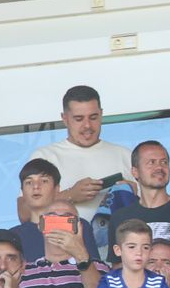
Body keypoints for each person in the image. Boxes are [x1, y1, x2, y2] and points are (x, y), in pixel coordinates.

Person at [28, 85, 136, 224]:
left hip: (118, 244)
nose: (87, 125)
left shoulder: (126, 155)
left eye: (93, 117)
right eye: (79, 119)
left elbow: (152, 206)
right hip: (60, 243)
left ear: (101, 114)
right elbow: (24, 212)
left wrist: (133, 193)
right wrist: (70, 195)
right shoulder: (45, 157)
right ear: (65, 119)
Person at [107, 139, 170, 259]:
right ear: (135, 172)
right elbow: (117, 268)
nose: (159, 167)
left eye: (164, 162)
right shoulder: (120, 217)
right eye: (151, 162)